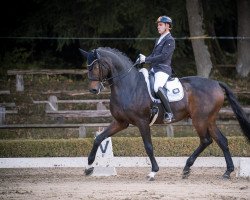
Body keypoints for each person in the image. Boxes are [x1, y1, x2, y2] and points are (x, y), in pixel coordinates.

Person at [137, 15, 175, 123]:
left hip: (163, 70)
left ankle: (169, 113)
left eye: (160, 25)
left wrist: (146, 59)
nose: (158, 27)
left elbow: (163, 56)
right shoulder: (159, 39)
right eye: (158, 25)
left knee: (157, 87)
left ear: (167, 26)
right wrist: (143, 59)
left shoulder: (170, 40)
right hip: (154, 69)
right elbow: (154, 55)